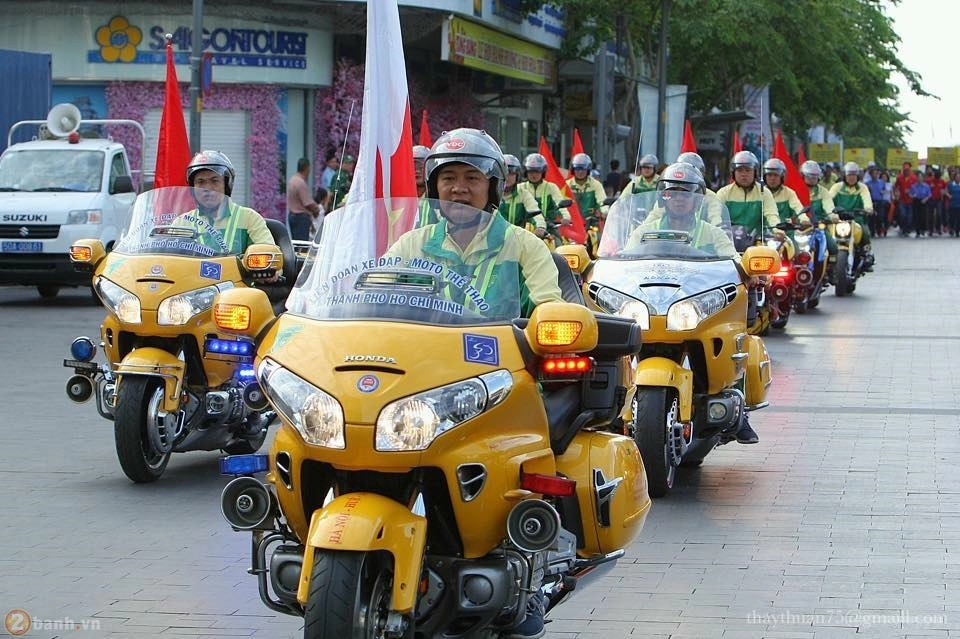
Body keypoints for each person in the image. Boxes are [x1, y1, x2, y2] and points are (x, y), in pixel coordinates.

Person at [386, 128, 563, 320]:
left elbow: (548, 311)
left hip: (501, 349)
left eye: (472, 177)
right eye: (448, 178)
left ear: (494, 187)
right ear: (434, 188)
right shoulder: (411, 245)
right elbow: (370, 297)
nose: (459, 189)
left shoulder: (526, 247)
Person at [177, 151, 279, 282]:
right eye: (200, 182)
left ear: (227, 185)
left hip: (236, 294)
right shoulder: (181, 222)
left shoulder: (249, 218)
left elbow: (272, 257)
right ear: (193, 188)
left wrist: (269, 270)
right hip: (188, 295)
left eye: (214, 181)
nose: (207, 188)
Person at [625, 163, 736, 257]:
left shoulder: (715, 235)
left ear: (697, 200)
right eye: (672, 193)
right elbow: (624, 260)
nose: (679, 198)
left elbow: (735, 261)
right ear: (663, 199)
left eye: (686, 194)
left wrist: (752, 274)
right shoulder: (643, 233)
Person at [715, 151, 780, 238]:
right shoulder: (723, 192)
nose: (744, 174)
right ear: (733, 173)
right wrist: (717, 229)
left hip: (758, 243)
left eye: (748, 170)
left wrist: (777, 230)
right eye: (739, 170)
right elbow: (714, 214)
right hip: (728, 242)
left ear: (755, 172)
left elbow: (772, 214)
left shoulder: (764, 192)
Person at [829, 162, 874, 268]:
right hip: (839, 219)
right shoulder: (837, 187)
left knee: (865, 232)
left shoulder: (862, 188)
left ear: (858, 176)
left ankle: (867, 253)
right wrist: (829, 211)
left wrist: (868, 208)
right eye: (849, 174)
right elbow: (828, 200)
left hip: (857, 219)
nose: (852, 177)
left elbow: (867, 200)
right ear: (844, 175)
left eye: (854, 175)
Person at [519, 152, 571, 241]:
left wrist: (566, 217)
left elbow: (560, 202)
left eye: (537, 171)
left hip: (549, 228)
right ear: (526, 172)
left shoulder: (551, 187)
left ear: (543, 172)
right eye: (531, 171)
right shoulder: (520, 187)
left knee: (559, 247)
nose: (533, 175)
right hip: (523, 229)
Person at [498, 153, 546, 237]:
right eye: (503, 173)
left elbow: (535, 212)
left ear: (517, 175)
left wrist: (540, 227)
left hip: (517, 239)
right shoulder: (488, 193)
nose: (507, 177)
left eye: (511, 173)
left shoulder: (523, 193)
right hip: (492, 240)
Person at [566, 152, 608, 226]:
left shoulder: (596, 184)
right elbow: (560, 203)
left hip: (591, 223)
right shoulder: (567, 185)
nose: (580, 172)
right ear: (573, 169)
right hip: (571, 224)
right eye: (577, 168)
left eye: (583, 168)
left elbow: (602, 200)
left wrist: (605, 212)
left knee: (599, 237)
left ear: (588, 169)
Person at [286, 157, 321, 241]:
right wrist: (316, 210)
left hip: (292, 216)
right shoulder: (300, 183)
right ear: (307, 168)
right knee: (302, 245)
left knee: (296, 243)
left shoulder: (292, 180)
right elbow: (307, 203)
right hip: (300, 218)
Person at [413, 144, 439, 227]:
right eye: (413, 167)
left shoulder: (436, 197)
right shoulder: (399, 198)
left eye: (421, 167)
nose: (417, 171)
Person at [893, 161, 917, 236]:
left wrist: (911, 191)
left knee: (909, 216)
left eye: (907, 169)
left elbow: (916, 188)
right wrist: (896, 194)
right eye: (904, 170)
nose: (906, 171)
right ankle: (903, 228)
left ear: (910, 169)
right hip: (902, 199)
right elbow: (896, 187)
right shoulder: (899, 177)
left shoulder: (914, 177)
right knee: (902, 214)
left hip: (910, 200)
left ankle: (907, 229)